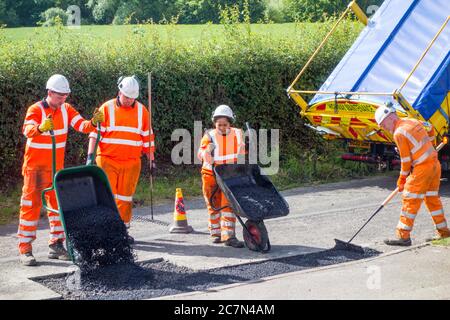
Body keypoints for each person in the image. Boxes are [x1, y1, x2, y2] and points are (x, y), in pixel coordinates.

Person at [19, 74, 104, 266]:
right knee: (30, 208)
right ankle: (25, 249)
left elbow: (80, 125)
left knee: (58, 208)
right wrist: (40, 128)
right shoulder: (36, 109)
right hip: (36, 170)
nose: (63, 100)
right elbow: (27, 129)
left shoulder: (66, 109)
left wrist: (92, 122)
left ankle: (56, 245)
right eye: (59, 96)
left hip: (56, 169)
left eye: (65, 96)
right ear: (49, 93)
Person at [86, 76, 155, 243]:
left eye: (132, 98)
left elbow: (148, 138)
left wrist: (151, 160)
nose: (129, 100)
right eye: (126, 97)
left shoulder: (142, 111)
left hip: (131, 162)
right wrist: (90, 156)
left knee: (125, 198)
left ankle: (121, 230)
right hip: (107, 160)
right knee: (108, 196)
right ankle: (105, 231)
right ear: (119, 92)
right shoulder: (105, 108)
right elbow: (94, 133)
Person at [374, 102, 450, 246]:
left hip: (423, 169)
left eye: (384, 125)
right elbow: (430, 128)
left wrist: (402, 179)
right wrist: (431, 146)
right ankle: (444, 233)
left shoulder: (399, 133)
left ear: (390, 118)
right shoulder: (412, 120)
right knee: (432, 199)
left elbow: (406, 160)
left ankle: (403, 237)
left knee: (410, 199)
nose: (385, 129)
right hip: (435, 165)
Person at [197, 104, 246, 248]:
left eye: (225, 124)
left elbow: (242, 154)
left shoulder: (237, 134)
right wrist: (206, 153)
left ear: (230, 123)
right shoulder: (209, 136)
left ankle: (229, 237)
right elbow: (200, 154)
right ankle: (216, 233)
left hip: (229, 176)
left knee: (229, 206)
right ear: (214, 123)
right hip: (211, 176)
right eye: (219, 125)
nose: (222, 127)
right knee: (213, 205)